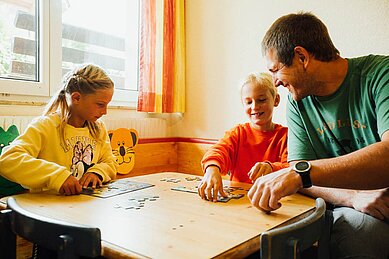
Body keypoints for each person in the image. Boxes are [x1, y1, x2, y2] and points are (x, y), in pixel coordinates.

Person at [248, 12, 389, 258]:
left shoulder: (380, 74)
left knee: (360, 231)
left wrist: (300, 174)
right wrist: (352, 197)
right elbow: (300, 175)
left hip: (379, 209)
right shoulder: (297, 100)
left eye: (276, 70)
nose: (275, 83)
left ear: (302, 57)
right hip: (340, 204)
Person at [0, 64, 118, 196]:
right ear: (76, 98)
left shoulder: (98, 128)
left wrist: (97, 172)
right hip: (48, 206)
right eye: (100, 105)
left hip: (85, 205)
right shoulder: (46, 125)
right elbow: (7, 159)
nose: (105, 112)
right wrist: (57, 176)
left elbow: (110, 162)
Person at [198, 72, 288, 202]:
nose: (255, 107)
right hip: (240, 202)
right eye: (248, 102)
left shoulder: (285, 136)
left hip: (275, 202)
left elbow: (291, 168)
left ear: (276, 100)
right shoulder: (237, 133)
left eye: (261, 100)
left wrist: (271, 167)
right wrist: (212, 168)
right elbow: (218, 150)